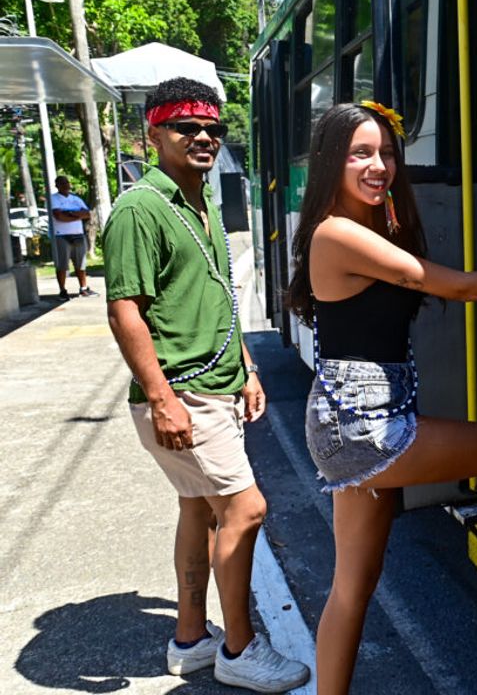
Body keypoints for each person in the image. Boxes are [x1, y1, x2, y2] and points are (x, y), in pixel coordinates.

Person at [287, 102, 477, 693]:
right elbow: (456, 286)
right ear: (333, 160)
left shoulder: (366, 228)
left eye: (386, 152)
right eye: (361, 152)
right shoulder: (338, 234)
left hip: (351, 420)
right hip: (364, 425)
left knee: (355, 582)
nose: (378, 165)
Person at [103, 77, 310, 693]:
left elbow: (216, 297)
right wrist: (163, 399)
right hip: (182, 396)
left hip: (213, 387)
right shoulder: (142, 208)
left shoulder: (204, 205)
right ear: (153, 134)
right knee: (245, 511)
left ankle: (191, 639)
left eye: (213, 129)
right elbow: (125, 311)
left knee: (198, 508)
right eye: (184, 127)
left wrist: (246, 367)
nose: (202, 138)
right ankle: (240, 650)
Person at [50, 176, 97, 300]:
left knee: (80, 264)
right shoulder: (53, 199)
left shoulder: (76, 199)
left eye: (67, 182)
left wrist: (69, 214)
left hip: (78, 234)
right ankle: (62, 290)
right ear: (57, 185)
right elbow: (59, 216)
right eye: (62, 183)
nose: (66, 185)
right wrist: (77, 215)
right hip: (61, 235)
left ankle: (83, 288)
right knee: (62, 265)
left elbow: (87, 214)